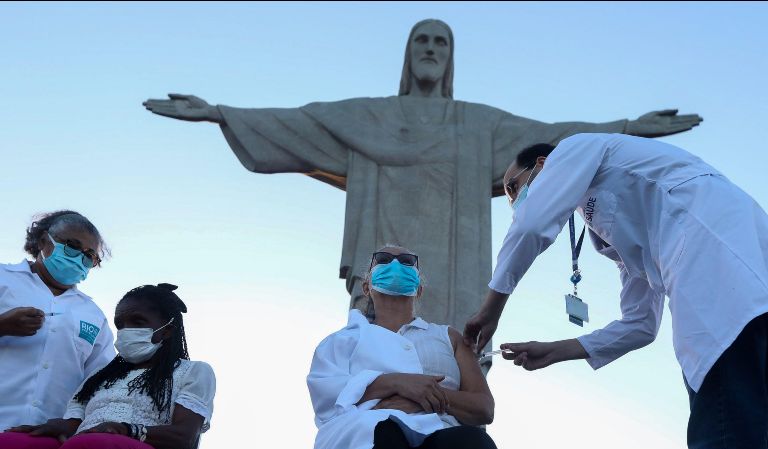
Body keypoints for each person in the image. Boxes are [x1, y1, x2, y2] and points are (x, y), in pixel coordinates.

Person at [143, 19, 702, 338]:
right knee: (377, 346)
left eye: (440, 42)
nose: (431, 50)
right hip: (387, 248)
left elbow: (552, 136)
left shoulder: (476, 123)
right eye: (422, 41)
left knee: (454, 353)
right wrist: (219, 112)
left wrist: (630, 127)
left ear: (450, 58)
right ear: (408, 55)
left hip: (456, 264)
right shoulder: (371, 115)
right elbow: (301, 123)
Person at [464, 133, 768, 449]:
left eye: (513, 188)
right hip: (745, 282)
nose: (515, 202)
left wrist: (491, 308)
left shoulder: (576, 148)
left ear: (542, 166)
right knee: (753, 444)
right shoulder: (616, 222)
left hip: (717, 280)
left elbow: (532, 224)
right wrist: (554, 351)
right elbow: (640, 323)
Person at [304, 246, 502, 449]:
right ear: (366, 286)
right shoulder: (340, 341)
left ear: (418, 289)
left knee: (474, 446)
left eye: (407, 261)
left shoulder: (448, 337)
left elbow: (483, 407)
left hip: (441, 432)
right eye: (384, 259)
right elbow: (327, 397)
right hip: (365, 434)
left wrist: (428, 395)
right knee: (380, 435)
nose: (396, 265)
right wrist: (397, 383)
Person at [0, 283, 216, 449]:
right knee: (5, 445)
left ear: (167, 330)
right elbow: (75, 423)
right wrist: (54, 426)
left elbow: (183, 437)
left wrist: (124, 430)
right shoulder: (101, 375)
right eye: (120, 325)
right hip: (84, 440)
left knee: (84, 448)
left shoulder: (193, 372)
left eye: (137, 322)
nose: (125, 331)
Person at [0, 211, 115, 432]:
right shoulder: (4, 278)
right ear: (44, 241)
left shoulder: (93, 315)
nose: (79, 257)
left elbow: (100, 383)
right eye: (72, 246)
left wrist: (73, 427)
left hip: (46, 443)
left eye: (89, 256)